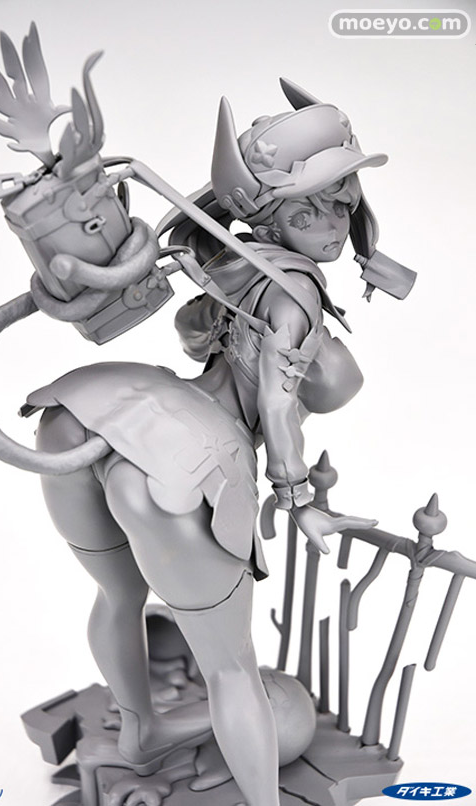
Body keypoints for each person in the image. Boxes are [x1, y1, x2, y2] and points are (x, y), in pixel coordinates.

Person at [25, 79, 414, 806]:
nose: (331, 223)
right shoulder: (295, 293)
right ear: (270, 215)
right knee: (234, 671)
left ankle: (141, 730)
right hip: (192, 463)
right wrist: (298, 498)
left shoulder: (232, 262)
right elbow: (276, 401)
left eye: (339, 201)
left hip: (92, 409)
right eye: (305, 209)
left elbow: (180, 330)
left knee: (118, 593)